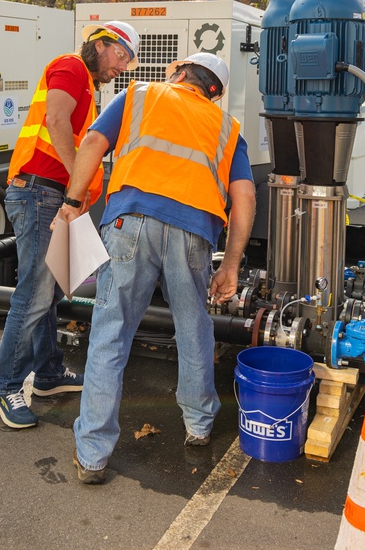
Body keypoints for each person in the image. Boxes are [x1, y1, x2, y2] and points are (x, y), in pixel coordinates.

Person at [54, 52, 256, 483]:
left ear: (180, 72)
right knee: (193, 327)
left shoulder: (139, 94)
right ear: (213, 93)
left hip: (130, 221)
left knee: (110, 333)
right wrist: (232, 265)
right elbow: (245, 199)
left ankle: (92, 455)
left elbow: (91, 143)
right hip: (194, 234)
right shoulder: (226, 128)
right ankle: (198, 426)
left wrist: (72, 204)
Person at [0, 21, 141, 429]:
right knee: (35, 293)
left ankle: (50, 374)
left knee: (53, 286)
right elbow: (57, 122)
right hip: (41, 192)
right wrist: (77, 185)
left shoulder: (86, 84)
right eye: (121, 56)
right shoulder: (71, 67)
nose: (121, 68)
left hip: (51, 195)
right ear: (103, 45)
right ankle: (7, 386)